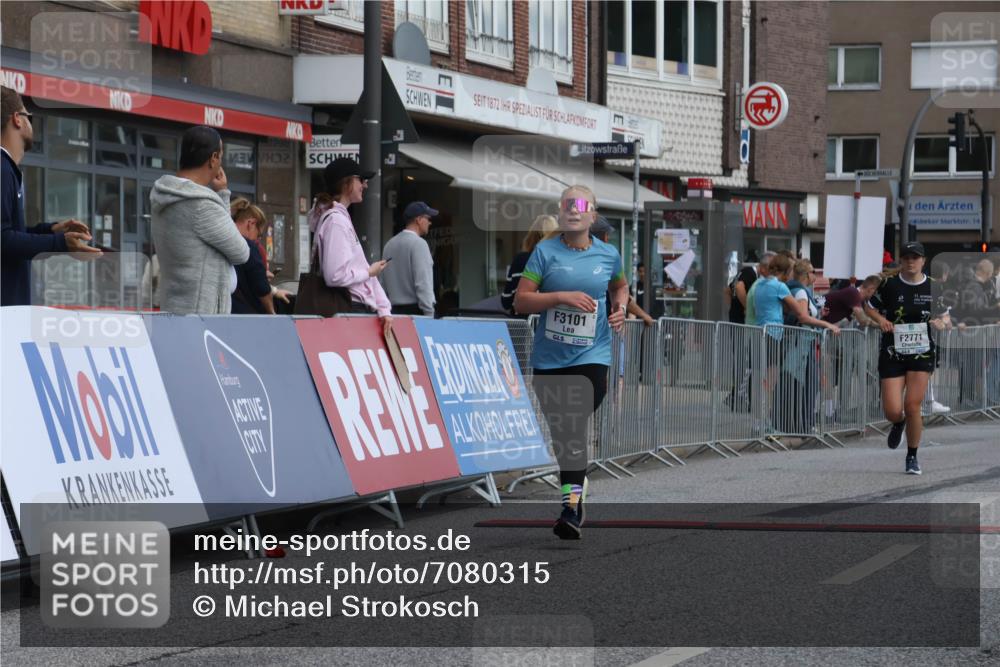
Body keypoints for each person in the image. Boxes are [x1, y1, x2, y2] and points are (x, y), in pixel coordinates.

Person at [514, 185, 627, 540]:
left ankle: (569, 509)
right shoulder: (544, 253)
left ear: (592, 216)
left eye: (580, 206)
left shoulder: (609, 254)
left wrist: (620, 309)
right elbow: (521, 302)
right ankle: (575, 493)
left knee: (573, 423)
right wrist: (560, 296)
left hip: (592, 356)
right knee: (565, 435)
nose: (572, 211)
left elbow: (620, 288)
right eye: (567, 205)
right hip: (549, 360)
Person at [2, 86, 100, 305]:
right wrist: (60, 243)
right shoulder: (2, 169)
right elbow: (3, 239)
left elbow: (9, 234)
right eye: (29, 116)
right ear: (17, 119)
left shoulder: (7, 169)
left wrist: (49, 230)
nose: (31, 123)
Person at [863, 241, 950, 475]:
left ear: (923, 261)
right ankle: (898, 422)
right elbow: (868, 306)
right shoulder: (889, 285)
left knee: (912, 405)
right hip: (893, 351)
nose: (911, 261)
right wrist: (880, 320)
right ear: (901, 261)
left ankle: (912, 456)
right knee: (893, 410)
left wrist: (942, 323)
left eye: (916, 257)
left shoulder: (934, 287)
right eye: (907, 257)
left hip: (921, 353)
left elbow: (945, 317)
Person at [150, 125, 249, 315]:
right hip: (202, 316)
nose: (220, 163)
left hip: (174, 308)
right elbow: (241, 252)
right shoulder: (202, 205)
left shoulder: (163, 195)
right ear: (212, 159)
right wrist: (223, 195)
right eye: (220, 155)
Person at [307, 157, 392, 332]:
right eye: (361, 179)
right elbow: (335, 276)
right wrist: (369, 272)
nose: (365, 185)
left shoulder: (338, 219)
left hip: (349, 307)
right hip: (348, 308)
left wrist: (383, 307)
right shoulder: (337, 222)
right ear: (346, 183)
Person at [230, 198, 290, 314]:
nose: (257, 240)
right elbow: (261, 288)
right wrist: (271, 312)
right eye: (259, 234)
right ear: (251, 223)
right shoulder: (248, 246)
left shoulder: (222, 240)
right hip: (244, 314)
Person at [381, 201, 437, 316]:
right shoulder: (419, 244)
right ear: (419, 220)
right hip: (416, 312)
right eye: (428, 218)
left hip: (393, 312)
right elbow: (423, 283)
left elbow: (383, 283)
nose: (430, 223)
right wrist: (429, 313)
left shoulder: (389, 244)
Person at [501, 214, 559, 316]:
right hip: (549, 324)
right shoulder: (559, 261)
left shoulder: (520, 259)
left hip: (521, 326)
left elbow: (506, 301)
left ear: (531, 235)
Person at [744, 251, 776, 326]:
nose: (776, 269)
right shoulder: (760, 285)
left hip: (756, 331)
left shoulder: (760, 284)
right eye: (773, 266)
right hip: (757, 333)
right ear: (763, 268)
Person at [729, 251, 761, 324]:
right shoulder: (750, 273)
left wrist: (733, 305)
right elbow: (739, 286)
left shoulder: (743, 272)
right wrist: (748, 307)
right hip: (741, 315)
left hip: (734, 313)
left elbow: (728, 290)